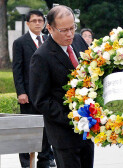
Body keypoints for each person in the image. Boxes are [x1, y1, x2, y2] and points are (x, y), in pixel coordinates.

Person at [29, 5, 94, 168]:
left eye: (72, 28)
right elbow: (41, 100)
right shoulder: (41, 57)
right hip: (63, 134)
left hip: (87, 131)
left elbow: (92, 71)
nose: (70, 34)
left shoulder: (78, 40)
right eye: (64, 30)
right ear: (49, 28)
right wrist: (72, 118)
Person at [12, 10, 55, 168]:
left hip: (47, 96)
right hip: (28, 96)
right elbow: (17, 69)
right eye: (34, 20)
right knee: (27, 132)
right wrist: (21, 92)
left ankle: (44, 162)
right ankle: (26, 165)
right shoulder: (20, 42)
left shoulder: (49, 40)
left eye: (40, 20)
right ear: (27, 23)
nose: (38, 23)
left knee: (45, 132)